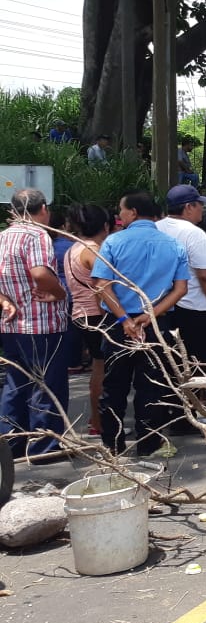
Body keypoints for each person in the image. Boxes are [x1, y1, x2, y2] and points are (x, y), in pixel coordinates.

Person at [92, 191, 190, 456]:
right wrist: (151, 314)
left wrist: (124, 318)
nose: (119, 215)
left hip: (117, 324)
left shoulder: (113, 242)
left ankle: (112, 445)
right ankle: (148, 444)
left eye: (121, 211)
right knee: (152, 385)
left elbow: (101, 285)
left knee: (114, 387)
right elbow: (180, 289)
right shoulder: (173, 245)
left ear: (132, 212)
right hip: (156, 323)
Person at [0, 189, 68, 457]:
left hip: (10, 325)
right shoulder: (37, 234)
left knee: (16, 384)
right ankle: (44, 447)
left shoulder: (3, 236)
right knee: (47, 384)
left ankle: (9, 445)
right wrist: (59, 291)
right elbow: (39, 272)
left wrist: (4, 299)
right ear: (43, 209)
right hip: (41, 324)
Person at [156, 185, 206, 373]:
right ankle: (194, 400)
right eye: (199, 205)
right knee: (195, 362)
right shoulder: (194, 233)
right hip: (195, 307)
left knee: (169, 363)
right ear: (188, 207)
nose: (202, 209)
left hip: (162, 306)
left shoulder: (156, 228)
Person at [63, 204, 113, 437]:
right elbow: (103, 287)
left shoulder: (72, 249)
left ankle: (96, 420)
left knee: (97, 367)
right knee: (104, 370)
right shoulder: (93, 251)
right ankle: (100, 422)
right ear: (104, 226)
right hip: (98, 316)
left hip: (81, 314)